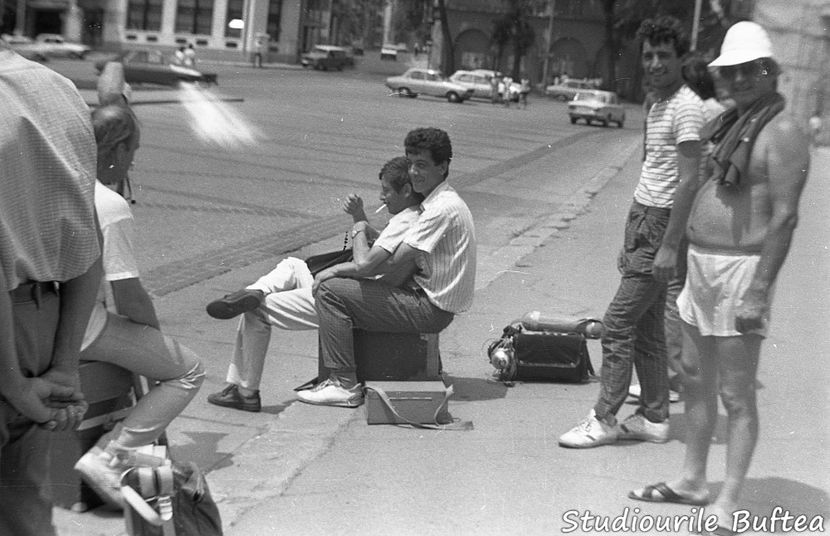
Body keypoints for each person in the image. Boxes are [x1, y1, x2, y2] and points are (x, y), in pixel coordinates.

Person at [629, 21, 810, 535]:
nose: (739, 78)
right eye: (731, 71)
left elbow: (784, 218)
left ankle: (727, 501)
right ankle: (692, 480)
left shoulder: (783, 132)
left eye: (750, 69)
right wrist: (677, 245)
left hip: (741, 272)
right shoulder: (731, 123)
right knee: (692, 375)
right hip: (702, 266)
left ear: (770, 71)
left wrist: (759, 291)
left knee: (736, 394)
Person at [559, 15, 705, 448]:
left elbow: (689, 181)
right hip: (644, 217)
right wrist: (632, 236)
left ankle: (604, 417)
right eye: (649, 55)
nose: (655, 63)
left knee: (617, 324)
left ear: (680, 58)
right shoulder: (655, 102)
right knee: (647, 327)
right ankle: (655, 417)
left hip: (662, 223)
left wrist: (669, 246)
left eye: (664, 55)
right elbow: (651, 171)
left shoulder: (686, 106)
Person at [205, 156, 423, 412]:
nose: (381, 197)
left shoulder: (406, 222)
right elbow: (377, 253)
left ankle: (245, 391)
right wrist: (360, 218)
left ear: (405, 190)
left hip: (352, 299)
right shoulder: (409, 217)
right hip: (359, 289)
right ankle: (255, 291)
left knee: (257, 310)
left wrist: (357, 227)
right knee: (292, 265)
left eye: (386, 191)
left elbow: (363, 263)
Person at [72, 104, 206, 508]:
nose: (131, 162)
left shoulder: (60, 185)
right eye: (132, 151)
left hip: (39, 322)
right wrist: (155, 339)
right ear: (116, 150)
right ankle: (109, 456)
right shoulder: (109, 204)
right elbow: (128, 295)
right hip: (82, 329)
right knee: (188, 370)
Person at [0, 42, 103, 536]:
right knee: (24, 511)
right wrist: (64, 366)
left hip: (7, 348)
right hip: (42, 326)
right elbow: (87, 241)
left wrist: (12, 384)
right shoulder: (56, 88)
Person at [298, 127, 476, 408]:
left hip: (429, 309)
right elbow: (399, 256)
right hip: (433, 303)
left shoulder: (440, 209)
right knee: (347, 286)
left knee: (330, 291)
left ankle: (344, 384)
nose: (414, 173)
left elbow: (373, 265)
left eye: (422, 165)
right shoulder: (443, 201)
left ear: (442, 167)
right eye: (411, 164)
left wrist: (335, 267)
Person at [629, 51, 727, 404]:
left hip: (682, 212)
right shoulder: (716, 111)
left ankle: (671, 378)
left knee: (671, 294)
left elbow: (693, 171)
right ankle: (678, 373)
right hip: (702, 214)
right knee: (682, 295)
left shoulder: (696, 112)